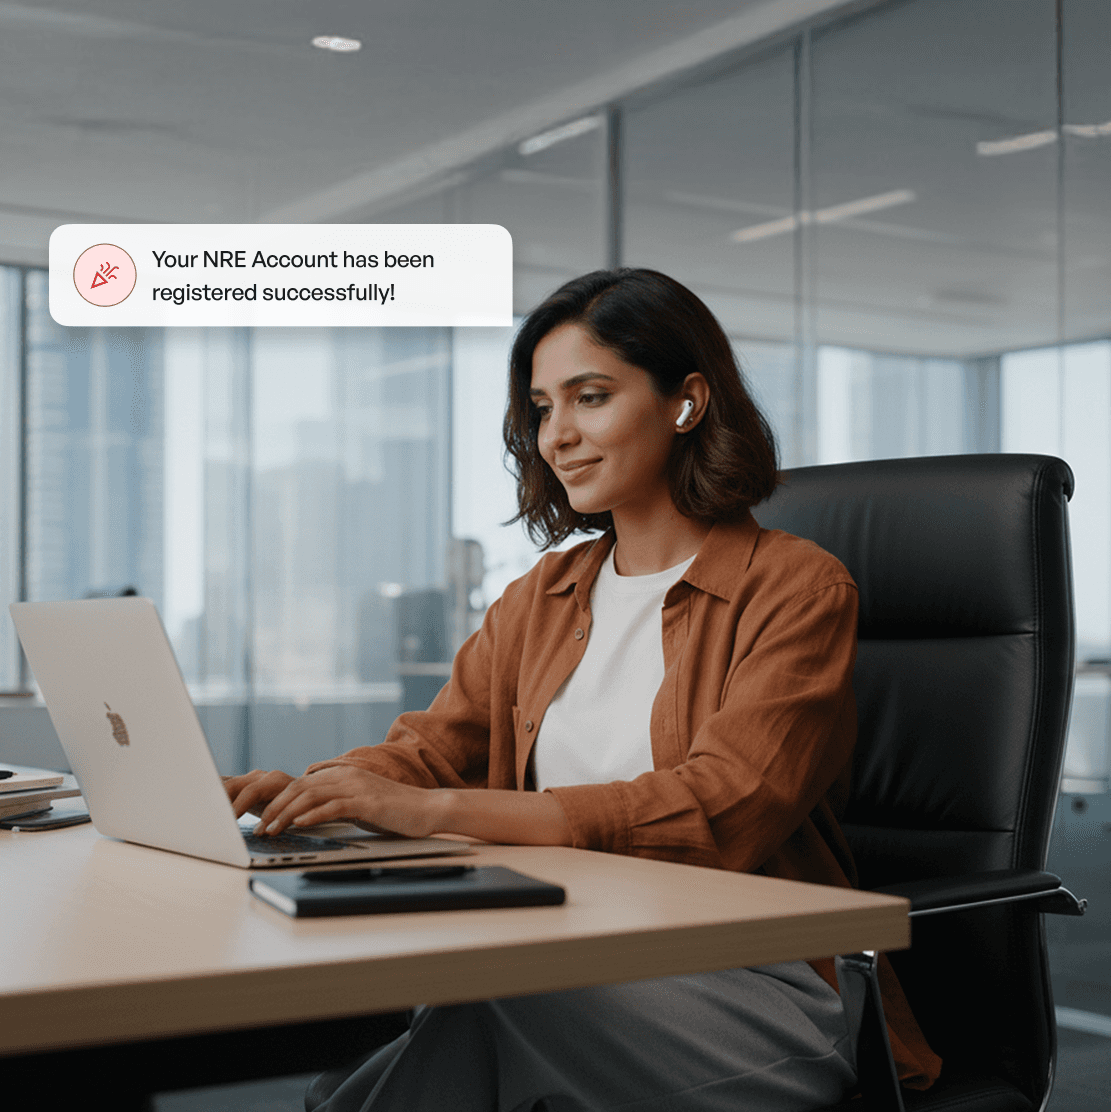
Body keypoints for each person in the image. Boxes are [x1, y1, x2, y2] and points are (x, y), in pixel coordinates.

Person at [225, 268, 941, 1112]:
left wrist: (435, 812)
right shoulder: (540, 596)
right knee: (452, 1018)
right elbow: (429, 752)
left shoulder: (795, 588)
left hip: (752, 984)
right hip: (566, 950)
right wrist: (311, 792)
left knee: (473, 1006)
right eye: (541, 408)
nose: (556, 436)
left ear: (687, 402)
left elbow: (719, 811)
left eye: (589, 397)